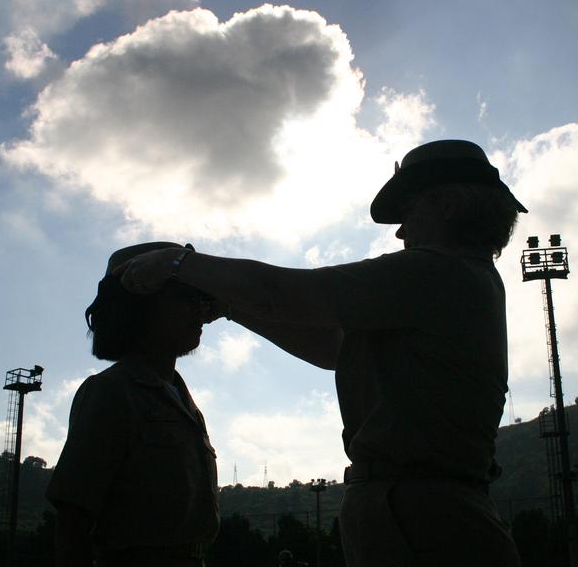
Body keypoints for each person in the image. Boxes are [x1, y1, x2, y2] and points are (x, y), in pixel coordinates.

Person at [115, 139, 524, 566]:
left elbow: (286, 293)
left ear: (446, 205)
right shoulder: (459, 282)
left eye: (409, 211)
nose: (401, 231)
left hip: (422, 512)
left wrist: (178, 264)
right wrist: (231, 306)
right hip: (431, 508)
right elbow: (333, 348)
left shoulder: (434, 272)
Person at [47, 242, 220, 567]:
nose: (201, 310)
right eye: (187, 297)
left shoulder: (184, 401)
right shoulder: (111, 392)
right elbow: (73, 522)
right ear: (144, 305)